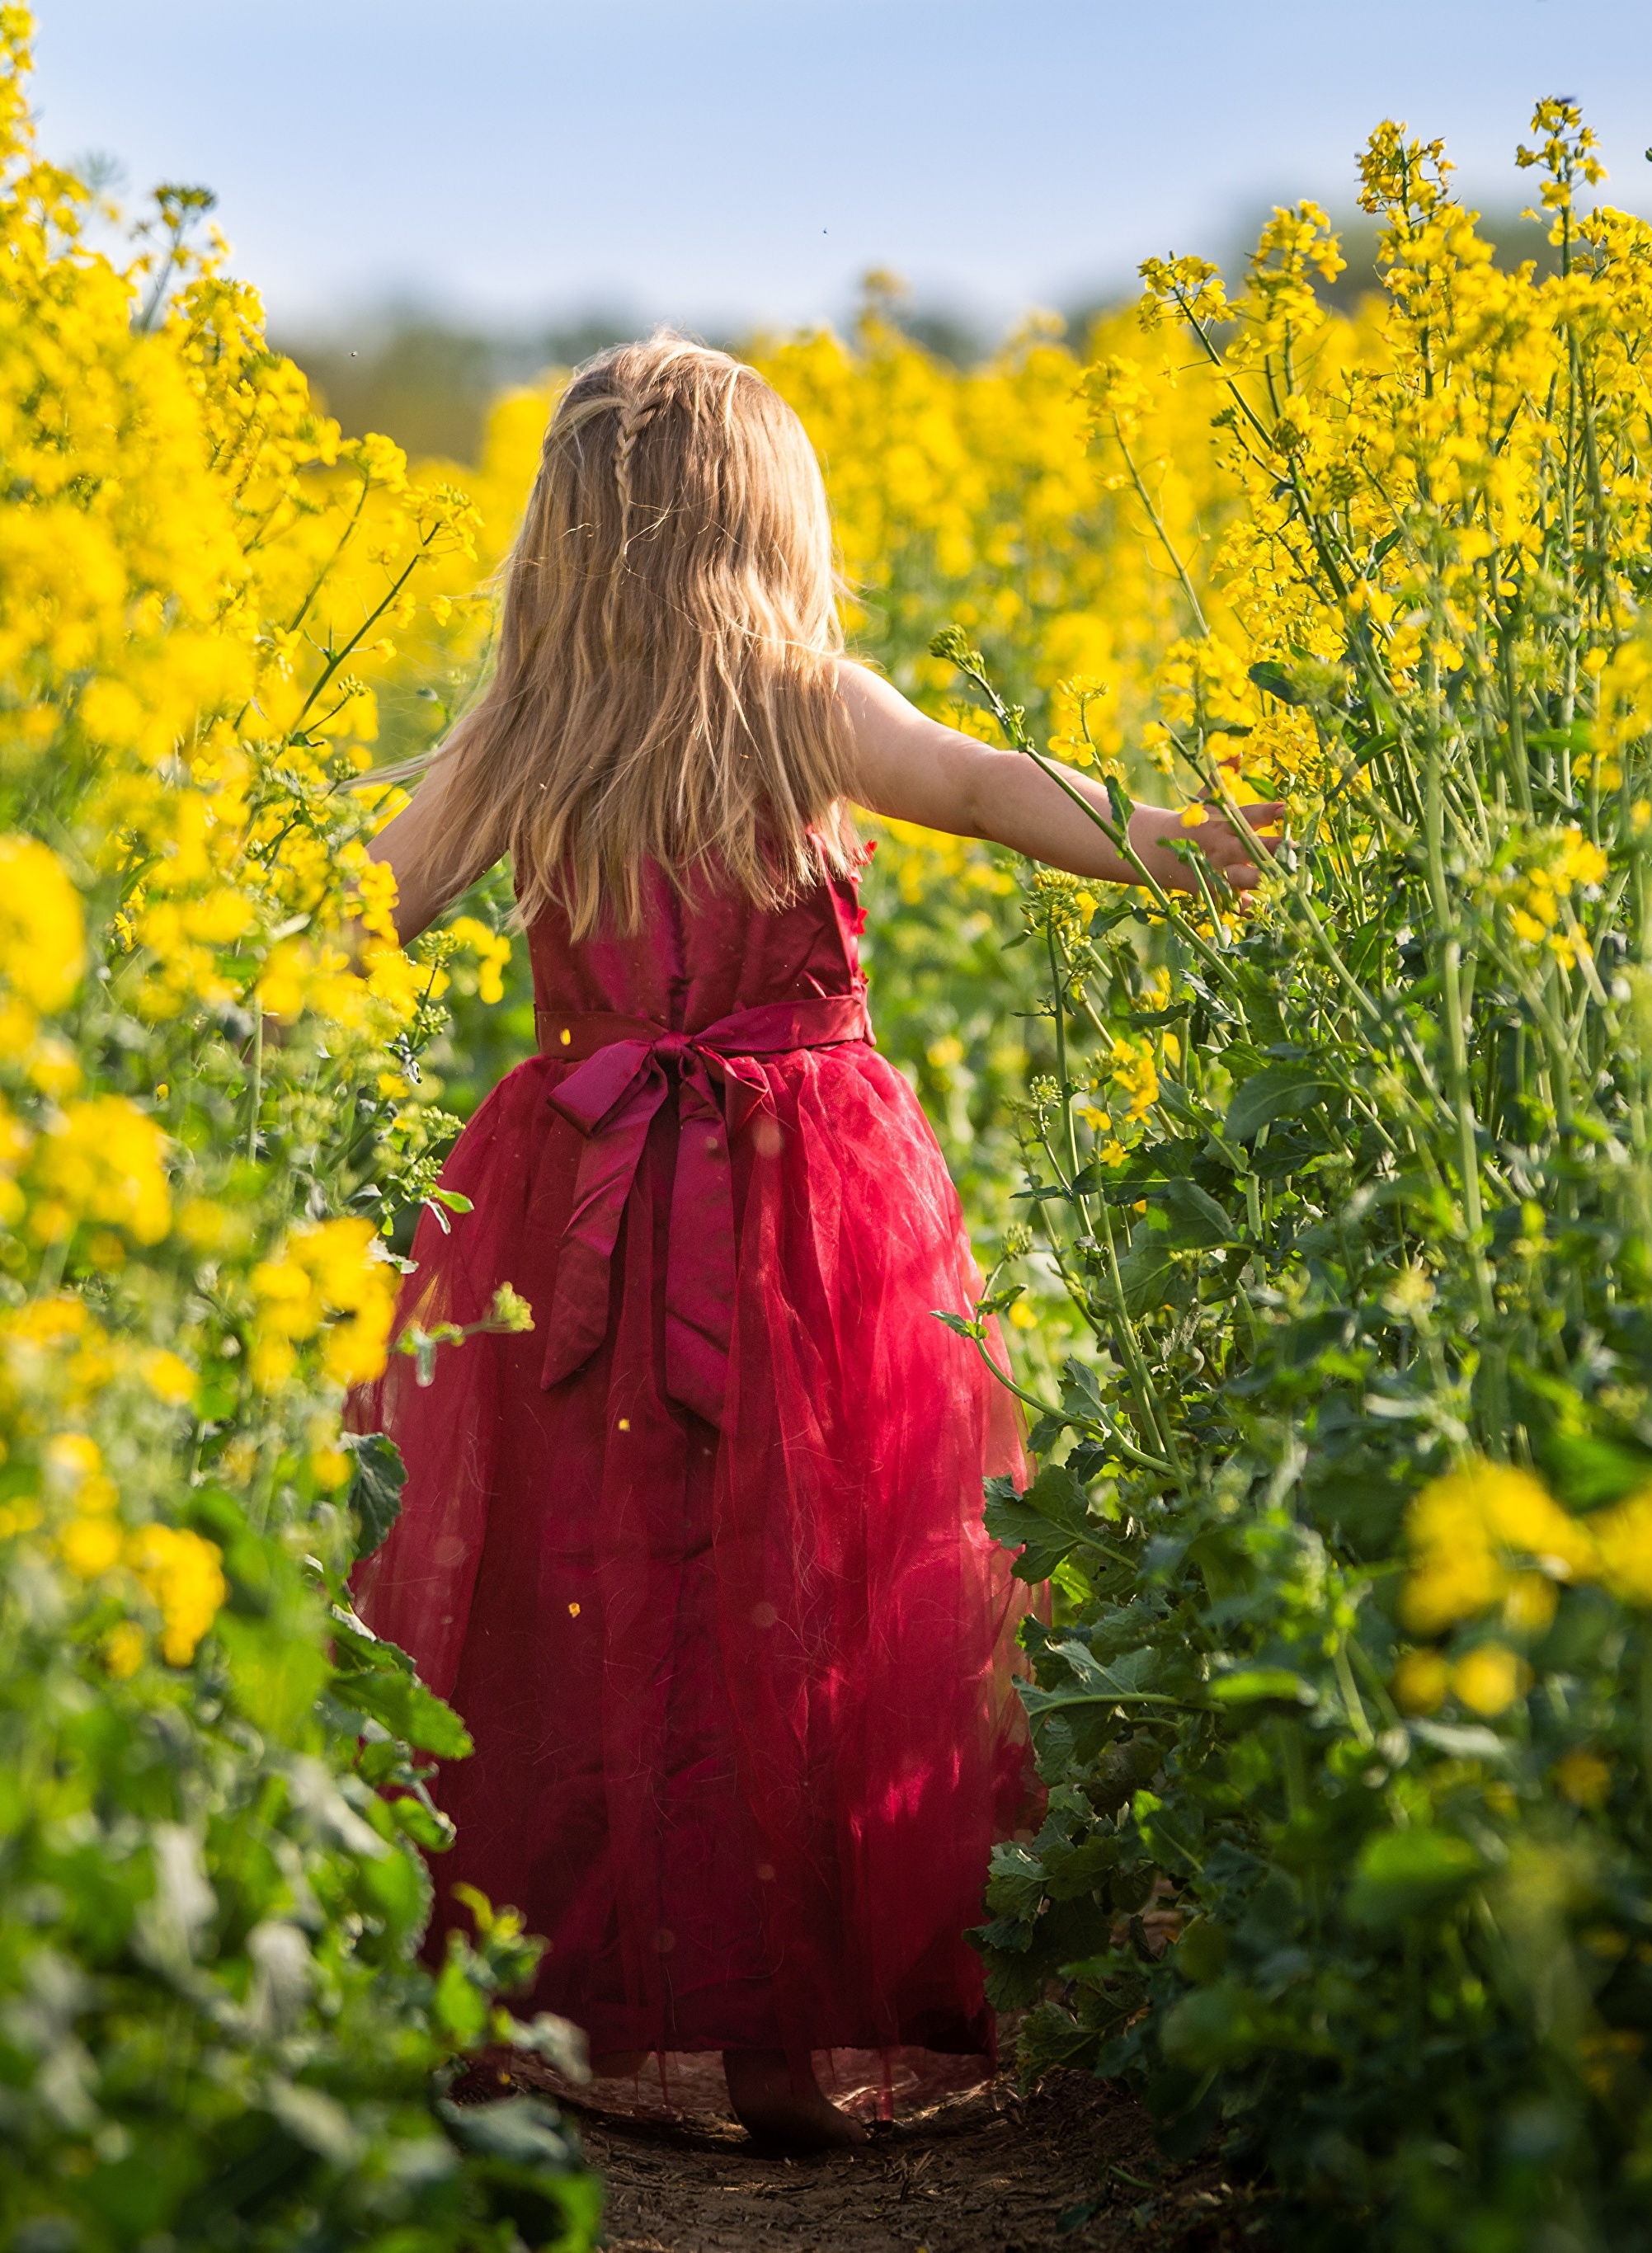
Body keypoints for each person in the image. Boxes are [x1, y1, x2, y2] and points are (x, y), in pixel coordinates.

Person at [354, 336, 1278, 2152]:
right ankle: (784, 2047)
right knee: (807, 1590)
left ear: (561, 540)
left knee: (592, 1588)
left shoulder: (526, 729)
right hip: (807, 1201)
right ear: (772, 527)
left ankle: (597, 2022)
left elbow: (354, 906)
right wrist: (1185, 847)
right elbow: (996, 784)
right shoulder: (802, 697)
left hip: (578, 1205)